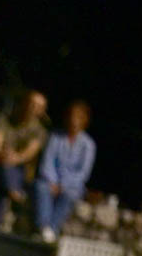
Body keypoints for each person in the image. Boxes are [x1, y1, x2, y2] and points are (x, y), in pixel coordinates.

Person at [0, 90, 49, 231]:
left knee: (0, 190)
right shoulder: (3, 119)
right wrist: (4, 155)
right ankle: (14, 194)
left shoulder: (39, 131)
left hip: (18, 171)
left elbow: (28, 153)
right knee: (2, 167)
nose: (33, 108)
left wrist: (13, 158)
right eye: (31, 103)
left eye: (38, 106)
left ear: (42, 111)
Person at [33, 100, 96, 243]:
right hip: (50, 180)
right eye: (72, 116)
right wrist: (53, 181)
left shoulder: (88, 145)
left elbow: (83, 173)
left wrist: (63, 184)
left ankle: (52, 228)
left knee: (70, 195)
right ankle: (44, 227)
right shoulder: (56, 137)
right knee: (41, 187)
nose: (74, 120)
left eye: (78, 117)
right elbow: (47, 161)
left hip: (71, 185)